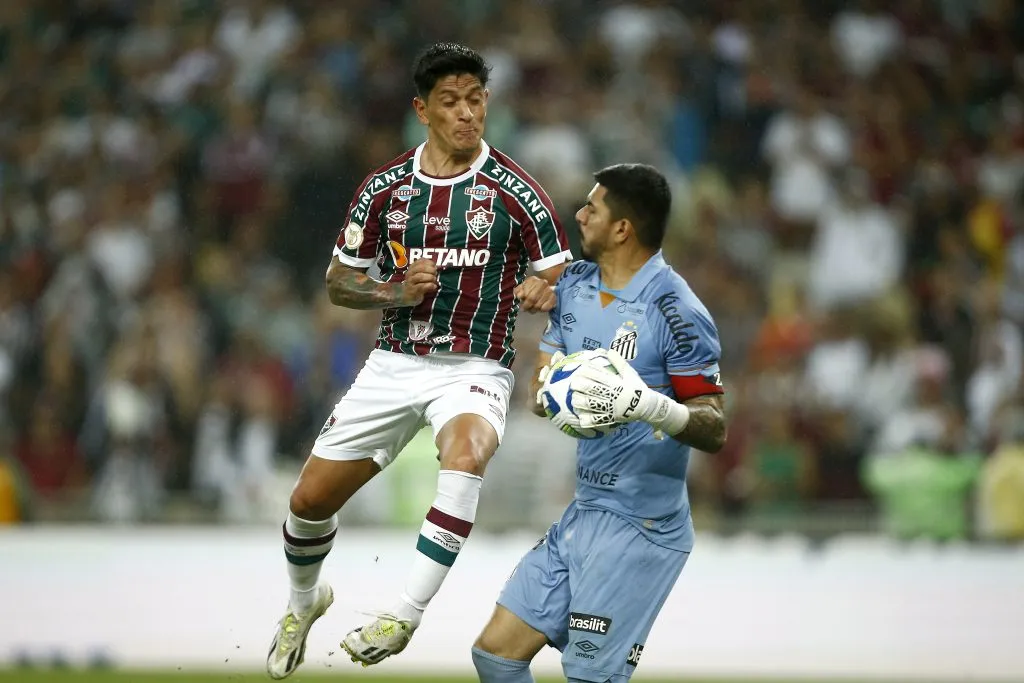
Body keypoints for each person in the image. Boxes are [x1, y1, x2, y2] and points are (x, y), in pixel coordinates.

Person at [266, 42, 572, 679]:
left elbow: (565, 281)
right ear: (422, 110)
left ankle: (405, 613)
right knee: (309, 502)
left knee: (465, 456)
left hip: (475, 367)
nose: (467, 114)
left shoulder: (516, 193)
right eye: (451, 102)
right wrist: (391, 291)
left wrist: (551, 291)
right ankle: (303, 602)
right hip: (393, 364)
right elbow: (338, 282)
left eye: (477, 100)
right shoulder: (385, 189)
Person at [472, 164, 727, 683]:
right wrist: (564, 391)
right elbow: (541, 395)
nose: (579, 214)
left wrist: (647, 404)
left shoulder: (674, 308)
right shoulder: (574, 287)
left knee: (591, 678)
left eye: (592, 207)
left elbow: (714, 427)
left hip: (642, 526)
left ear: (622, 229)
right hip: (584, 513)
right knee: (495, 655)